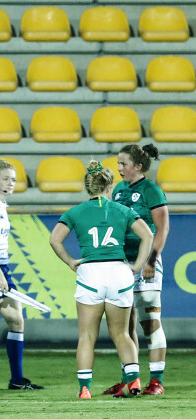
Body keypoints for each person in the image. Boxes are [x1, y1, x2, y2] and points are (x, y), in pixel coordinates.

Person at [50, 160, 154, 399]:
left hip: (91, 273)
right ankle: (134, 381)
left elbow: (55, 240)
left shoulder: (75, 212)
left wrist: (69, 261)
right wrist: (137, 265)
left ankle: (85, 388)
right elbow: (147, 235)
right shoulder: (123, 210)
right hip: (118, 272)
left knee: (87, 336)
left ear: (88, 187)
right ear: (110, 187)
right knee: (122, 335)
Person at [103, 144, 170, 396]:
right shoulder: (119, 190)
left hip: (145, 263)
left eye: (123, 164)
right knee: (124, 325)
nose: (119, 168)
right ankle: (130, 379)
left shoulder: (151, 190)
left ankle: (156, 381)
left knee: (150, 322)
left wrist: (151, 260)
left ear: (138, 166)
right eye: (118, 164)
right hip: (123, 264)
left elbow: (162, 229)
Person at [0, 159, 43, 390]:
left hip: (1, 269)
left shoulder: (0, 206)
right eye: (5, 179)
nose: (10, 183)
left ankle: (17, 379)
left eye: (13, 179)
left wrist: (2, 273)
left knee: (16, 320)